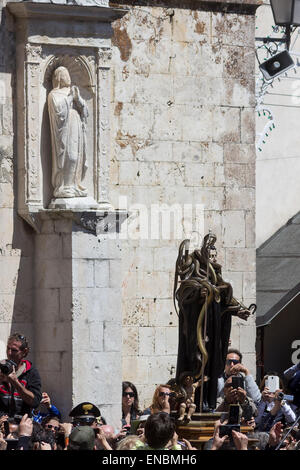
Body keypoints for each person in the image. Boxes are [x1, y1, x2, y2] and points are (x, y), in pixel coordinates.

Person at [174, 234, 255, 411]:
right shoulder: (194, 277)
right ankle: (193, 400)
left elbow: (226, 302)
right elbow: (183, 296)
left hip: (214, 333)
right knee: (197, 364)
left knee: (212, 367)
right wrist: (198, 295)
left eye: (214, 256)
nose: (213, 259)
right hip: (197, 332)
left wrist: (238, 311)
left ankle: (208, 403)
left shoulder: (217, 280)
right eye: (210, 256)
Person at [48, 65, 88, 199]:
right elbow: (59, 112)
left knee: (76, 156)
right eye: (65, 74)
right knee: (69, 156)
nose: (68, 77)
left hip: (75, 124)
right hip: (64, 129)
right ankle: (63, 186)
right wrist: (70, 98)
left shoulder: (72, 92)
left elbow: (85, 112)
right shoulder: (53, 94)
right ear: (59, 78)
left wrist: (78, 100)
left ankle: (73, 185)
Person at [0, 333, 42, 418]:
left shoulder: (31, 372)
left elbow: (35, 402)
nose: (9, 353)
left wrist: (16, 383)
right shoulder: (1, 367)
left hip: (21, 424)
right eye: (8, 348)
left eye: (14, 350)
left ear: (24, 352)